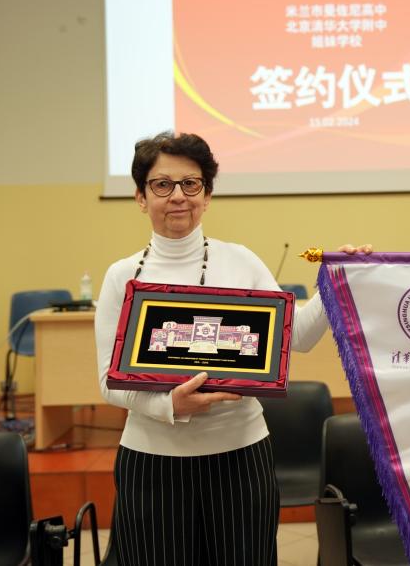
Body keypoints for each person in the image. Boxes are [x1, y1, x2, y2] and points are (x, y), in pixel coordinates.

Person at [95, 132, 368, 566]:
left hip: (240, 458)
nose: (178, 196)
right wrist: (169, 405)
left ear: (207, 195)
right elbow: (109, 382)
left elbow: (298, 337)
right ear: (141, 197)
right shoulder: (121, 276)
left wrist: (336, 285)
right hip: (151, 462)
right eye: (162, 184)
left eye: (191, 184)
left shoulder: (241, 261)